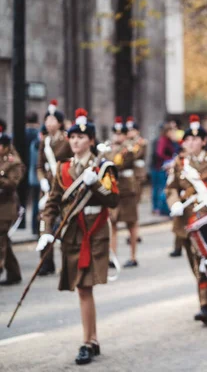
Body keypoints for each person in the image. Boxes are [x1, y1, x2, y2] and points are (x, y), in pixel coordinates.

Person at [35, 108, 119, 365]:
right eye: (72, 137)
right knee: (83, 288)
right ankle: (92, 338)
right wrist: (47, 231)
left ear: (91, 140)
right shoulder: (62, 168)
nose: (75, 141)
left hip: (94, 232)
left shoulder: (103, 167)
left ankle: (87, 342)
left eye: (81, 137)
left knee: (84, 286)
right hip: (72, 232)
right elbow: (52, 203)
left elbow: (113, 199)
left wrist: (95, 183)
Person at [166, 115, 207, 324]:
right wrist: (174, 202)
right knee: (195, 264)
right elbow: (171, 188)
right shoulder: (179, 164)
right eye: (187, 140)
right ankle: (206, 299)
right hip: (186, 221)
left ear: (203, 141)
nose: (191, 143)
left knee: (203, 260)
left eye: (195, 139)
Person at [37, 99, 74, 276]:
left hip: (62, 185)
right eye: (46, 120)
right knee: (45, 221)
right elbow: (39, 165)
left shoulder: (67, 140)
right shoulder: (44, 141)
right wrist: (42, 180)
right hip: (47, 188)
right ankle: (46, 261)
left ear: (59, 123)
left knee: (64, 222)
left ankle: (66, 261)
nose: (48, 123)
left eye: (52, 120)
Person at [107, 117, 139, 268]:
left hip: (127, 190)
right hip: (114, 190)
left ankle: (133, 256)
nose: (117, 137)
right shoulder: (110, 148)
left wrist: (112, 153)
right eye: (115, 134)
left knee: (131, 223)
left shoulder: (129, 149)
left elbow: (117, 165)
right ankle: (113, 256)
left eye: (120, 134)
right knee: (112, 223)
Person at [0, 124, 25, 286]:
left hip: (6, 207)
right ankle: (14, 272)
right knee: (4, 242)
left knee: (0, 239)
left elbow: (13, 183)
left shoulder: (13, 162)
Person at [126, 117, 147, 244]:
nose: (129, 133)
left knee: (135, 206)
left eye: (132, 130)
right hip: (131, 177)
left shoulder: (140, 142)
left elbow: (135, 155)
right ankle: (133, 233)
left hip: (137, 176)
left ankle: (135, 233)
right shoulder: (128, 143)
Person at [151, 123, 175, 216]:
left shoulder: (167, 140)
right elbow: (160, 153)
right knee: (160, 188)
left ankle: (159, 208)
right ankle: (160, 208)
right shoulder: (163, 140)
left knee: (159, 188)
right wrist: (168, 159)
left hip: (159, 167)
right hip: (160, 167)